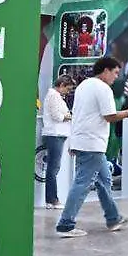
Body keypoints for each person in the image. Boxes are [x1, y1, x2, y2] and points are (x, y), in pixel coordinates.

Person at [56, 57, 128, 238]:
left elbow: (77, 115)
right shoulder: (103, 88)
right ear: (106, 70)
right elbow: (110, 116)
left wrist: (73, 141)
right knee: (82, 183)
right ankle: (66, 223)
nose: (116, 77)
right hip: (92, 143)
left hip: (84, 141)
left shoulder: (83, 86)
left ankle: (113, 218)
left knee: (104, 179)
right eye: (115, 73)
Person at [40, 75, 75, 209]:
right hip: (55, 134)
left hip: (57, 134)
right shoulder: (53, 96)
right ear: (61, 85)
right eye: (67, 89)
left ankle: (51, 199)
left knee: (53, 168)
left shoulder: (55, 96)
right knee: (53, 168)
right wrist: (67, 116)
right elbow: (57, 116)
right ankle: (52, 199)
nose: (68, 92)